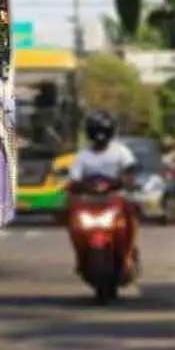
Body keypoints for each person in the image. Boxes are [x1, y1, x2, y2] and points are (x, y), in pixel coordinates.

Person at [66, 110, 140, 274]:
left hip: (116, 198)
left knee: (132, 211)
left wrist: (126, 182)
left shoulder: (121, 151)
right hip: (89, 202)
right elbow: (74, 180)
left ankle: (128, 254)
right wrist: (74, 188)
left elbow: (129, 172)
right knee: (69, 217)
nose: (100, 137)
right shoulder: (83, 156)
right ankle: (80, 256)